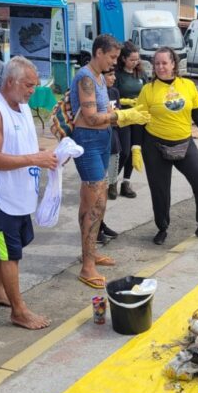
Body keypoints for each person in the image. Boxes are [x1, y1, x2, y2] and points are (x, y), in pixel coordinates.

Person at [0, 56, 58, 328]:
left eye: (35, 85)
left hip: (20, 191)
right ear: (10, 82)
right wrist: (36, 159)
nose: (32, 90)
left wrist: (45, 155)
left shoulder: (20, 106)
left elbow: (23, 146)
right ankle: (18, 311)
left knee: (20, 242)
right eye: (28, 85)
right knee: (9, 252)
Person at [70, 35, 150, 289]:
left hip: (102, 139)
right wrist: (124, 115)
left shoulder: (99, 77)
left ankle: (90, 254)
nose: (114, 62)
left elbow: (102, 112)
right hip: (89, 140)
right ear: (99, 53)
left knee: (93, 201)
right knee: (97, 202)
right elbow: (92, 118)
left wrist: (121, 113)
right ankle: (87, 267)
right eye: (112, 57)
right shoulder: (85, 77)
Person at [133, 47, 198, 246]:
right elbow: (138, 121)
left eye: (164, 63)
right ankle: (162, 228)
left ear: (173, 64)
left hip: (185, 143)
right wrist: (136, 148)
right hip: (155, 145)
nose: (160, 67)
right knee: (160, 190)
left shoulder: (187, 85)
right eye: (157, 63)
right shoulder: (148, 90)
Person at [114, 41, 147, 199]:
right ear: (123, 59)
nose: (135, 62)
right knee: (124, 152)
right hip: (123, 117)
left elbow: (148, 90)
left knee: (135, 151)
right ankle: (111, 182)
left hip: (138, 117)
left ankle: (126, 183)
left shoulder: (140, 74)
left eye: (137, 59)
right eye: (132, 60)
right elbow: (112, 95)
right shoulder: (117, 75)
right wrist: (126, 102)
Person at [100, 69, 121, 243]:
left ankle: (101, 223)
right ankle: (95, 228)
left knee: (106, 191)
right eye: (110, 75)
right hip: (98, 144)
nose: (114, 78)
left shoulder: (114, 92)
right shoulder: (93, 91)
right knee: (98, 190)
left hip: (113, 141)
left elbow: (118, 117)